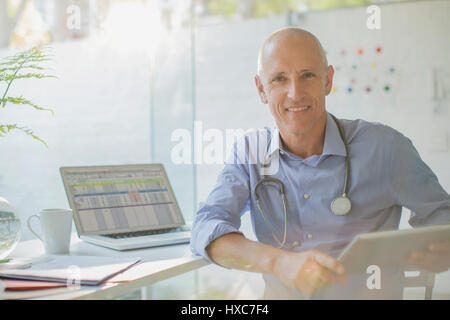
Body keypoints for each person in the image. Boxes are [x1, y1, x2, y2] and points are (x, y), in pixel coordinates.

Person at [190, 27, 450, 299]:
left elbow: (442, 215)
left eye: (307, 75)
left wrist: (441, 248)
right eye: (279, 79)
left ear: (328, 80)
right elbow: (205, 227)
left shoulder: (386, 148)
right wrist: (279, 262)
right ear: (261, 90)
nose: (295, 92)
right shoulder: (250, 153)